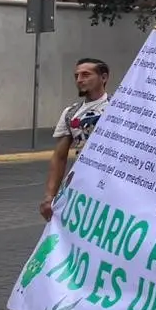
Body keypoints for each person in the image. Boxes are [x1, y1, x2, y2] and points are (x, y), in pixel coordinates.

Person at [40, 58, 111, 221]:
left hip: (114, 186)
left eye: (86, 74)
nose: (79, 80)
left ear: (104, 78)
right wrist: (49, 196)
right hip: (82, 186)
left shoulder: (120, 106)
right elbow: (59, 157)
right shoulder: (70, 113)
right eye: (76, 76)